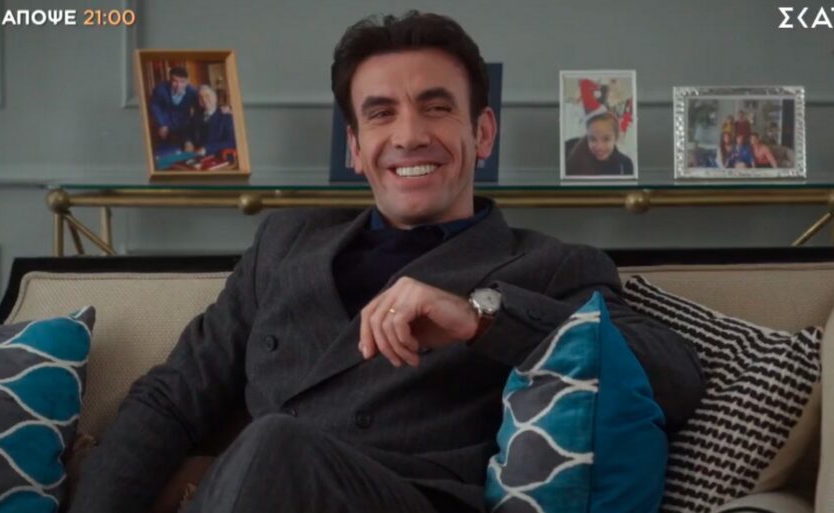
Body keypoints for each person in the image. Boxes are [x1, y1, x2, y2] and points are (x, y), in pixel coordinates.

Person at [70, 12, 703, 513]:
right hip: (254, 493)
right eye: (380, 114)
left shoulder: (548, 266)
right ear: (355, 146)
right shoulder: (285, 245)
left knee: (274, 445)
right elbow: (171, 400)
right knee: (268, 448)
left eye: (436, 107)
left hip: (406, 498)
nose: (408, 136)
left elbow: (671, 377)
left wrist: (482, 319)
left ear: (482, 133)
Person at [565, 112, 634, 175]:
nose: (599, 147)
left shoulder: (625, 165)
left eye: (606, 139)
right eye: (593, 139)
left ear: (615, 138)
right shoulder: (568, 150)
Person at [149, 67, 198, 144]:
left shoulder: (192, 92)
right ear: (170, 80)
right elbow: (155, 107)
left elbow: (199, 108)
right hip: (164, 125)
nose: (178, 85)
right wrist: (161, 124)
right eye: (175, 81)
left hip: (184, 126)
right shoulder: (160, 89)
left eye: (182, 82)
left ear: (187, 81)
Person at [185, 85, 237, 157]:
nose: (204, 100)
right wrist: (188, 142)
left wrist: (207, 149)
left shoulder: (226, 116)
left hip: (217, 156)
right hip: (196, 155)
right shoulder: (196, 115)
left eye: (207, 96)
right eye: (200, 97)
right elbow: (188, 132)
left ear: (215, 97)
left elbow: (232, 142)